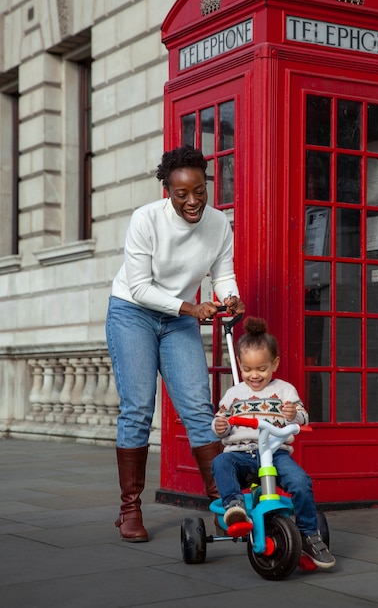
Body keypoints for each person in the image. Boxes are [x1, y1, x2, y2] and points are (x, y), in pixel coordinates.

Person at [106, 145, 245, 542]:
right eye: (181, 193)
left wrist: (230, 296)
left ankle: (224, 504)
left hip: (181, 318)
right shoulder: (145, 220)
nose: (192, 201)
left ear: (206, 184)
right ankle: (129, 509)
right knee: (137, 410)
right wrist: (190, 307)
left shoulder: (218, 224)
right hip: (133, 312)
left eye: (199, 191)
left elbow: (223, 274)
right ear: (166, 190)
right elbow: (139, 287)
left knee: (199, 409)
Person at [211, 317, 336, 569]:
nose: (254, 375)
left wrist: (294, 415)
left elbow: (302, 416)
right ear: (239, 365)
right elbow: (220, 421)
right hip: (242, 453)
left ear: (274, 364)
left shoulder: (285, 390)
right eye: (247, 370)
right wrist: (219, 427)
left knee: (301, 482)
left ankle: (309, 534)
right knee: (221, 461)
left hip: (275, 453)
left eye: (262, 369)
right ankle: (235, 508)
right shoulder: (234, 394)